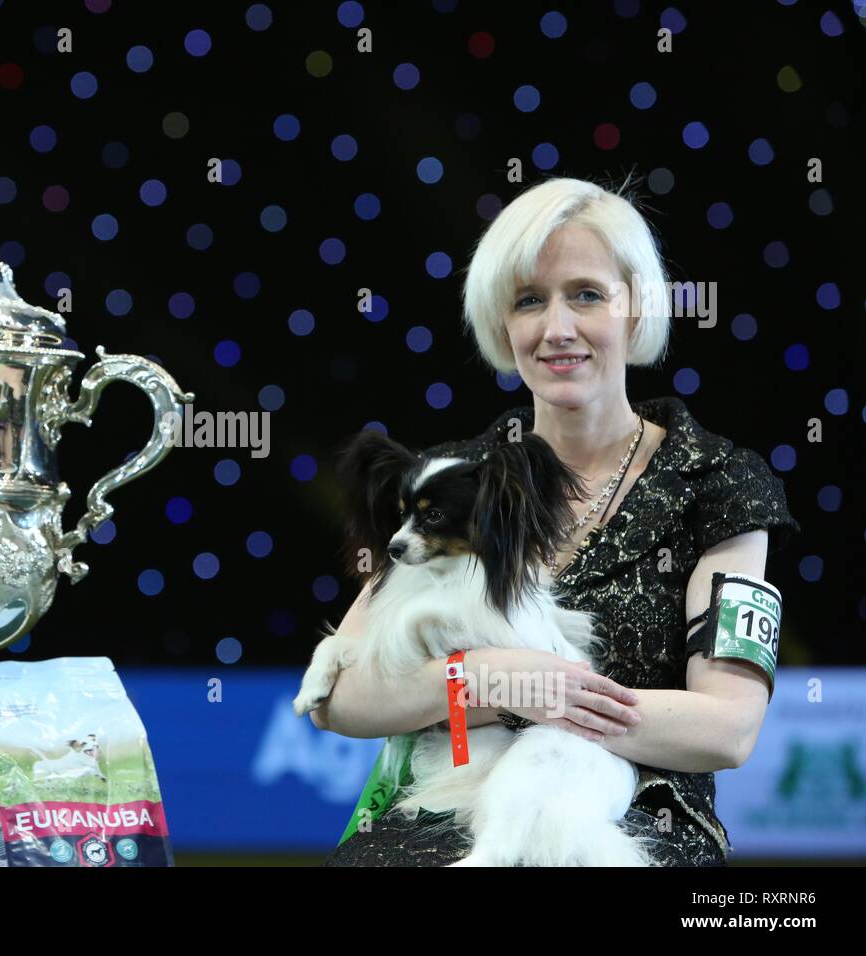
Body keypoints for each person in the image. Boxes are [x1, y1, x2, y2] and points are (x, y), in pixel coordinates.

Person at [315, 176, 801, 866]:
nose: (557, 328)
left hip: (639, 814)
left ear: (636, 308)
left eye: (587, 294)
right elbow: (343, 700)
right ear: (501, 323)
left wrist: (536, 699)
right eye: (528, 301)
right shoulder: (452, 479)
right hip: (445, 809)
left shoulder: (719, 482)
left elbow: (727, 729)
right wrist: (486, 676)